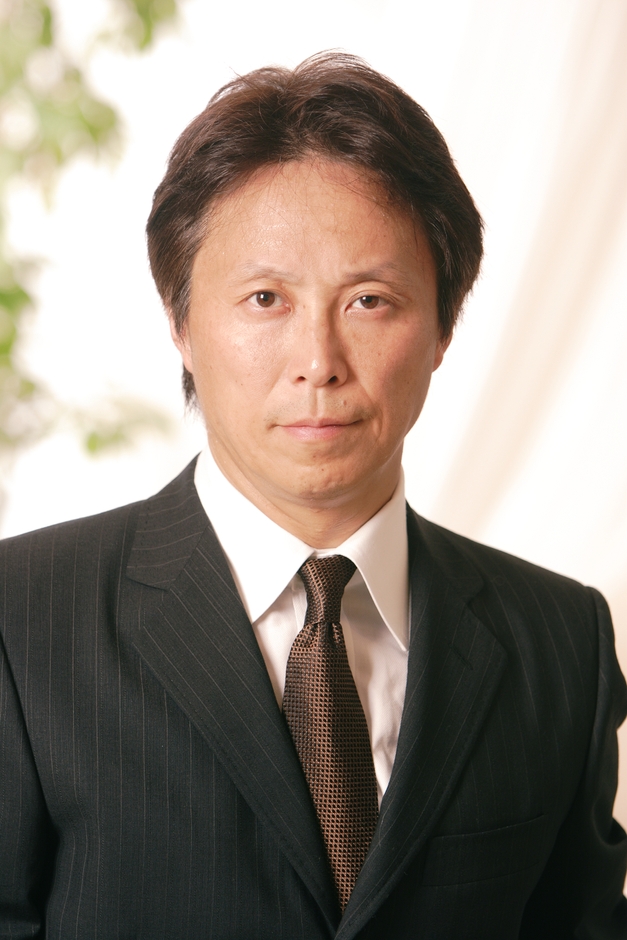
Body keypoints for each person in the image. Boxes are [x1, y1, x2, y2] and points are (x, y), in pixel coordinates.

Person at [1, 52, 625, 940]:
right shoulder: (22, 620)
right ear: (179, 322)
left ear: (442, 326)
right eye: (265, 298)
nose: (318, 363)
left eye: (369, 300)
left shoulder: (560, 642)